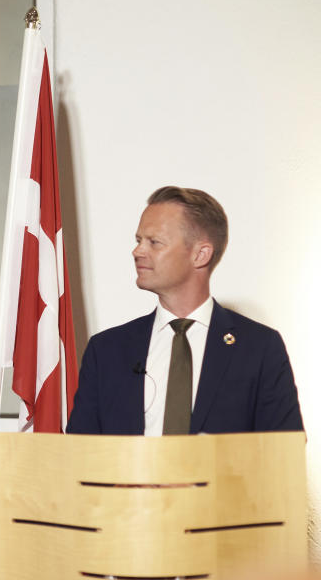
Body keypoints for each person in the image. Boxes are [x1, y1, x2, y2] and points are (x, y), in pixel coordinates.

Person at [66, 186, 302, 435]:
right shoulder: (106, 350)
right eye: (138, 241)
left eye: (154, 242)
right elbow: (80, 454)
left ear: (200, 254)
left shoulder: (259, 348)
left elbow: (283, 454)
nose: (137, 251)